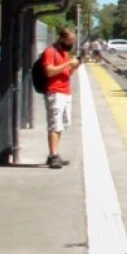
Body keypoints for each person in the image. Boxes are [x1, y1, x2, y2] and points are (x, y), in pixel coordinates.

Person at [42, 26, 82, 169]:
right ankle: (53, 155)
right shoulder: (50, 51)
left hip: (65, 91)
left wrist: (74, 67)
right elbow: (49, 72)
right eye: (70, 41)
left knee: (60, 125)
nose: (71, 44)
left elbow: (66, 73)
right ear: (62, 39)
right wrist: (68, 63)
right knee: (54, 124)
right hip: (55, 92)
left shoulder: (64, 53)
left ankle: (55, 153)